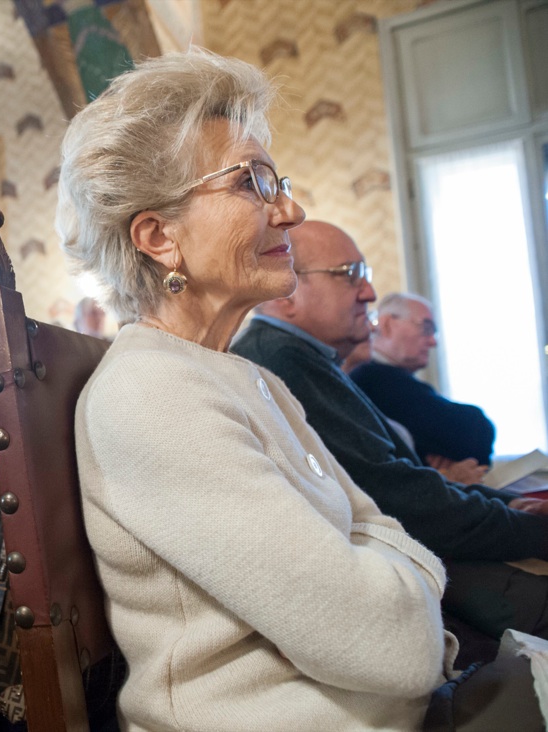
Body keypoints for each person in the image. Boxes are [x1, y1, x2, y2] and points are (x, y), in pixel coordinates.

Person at [51, 50, 532, 731]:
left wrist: (382, 558)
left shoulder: (248, 376)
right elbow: (393, 645)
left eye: (275, 179)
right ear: (159, 237)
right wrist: (396, 566)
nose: (290, 209)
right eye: (251, 182)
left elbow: (378, 531)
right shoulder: (151, 394)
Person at [232, 220, 548, 647]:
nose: (369, 293)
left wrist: (512, 504)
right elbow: (400, 499)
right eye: (350, 275)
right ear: (287, 289)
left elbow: (399, 478)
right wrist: (529, 528)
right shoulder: (283, 360)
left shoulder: (301, 356)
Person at [351, 292, 496, 468]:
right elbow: (476, 432)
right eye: (426, 328)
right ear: (388, 324)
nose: (433, 341)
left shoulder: (384, 377)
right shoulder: (376, 380)